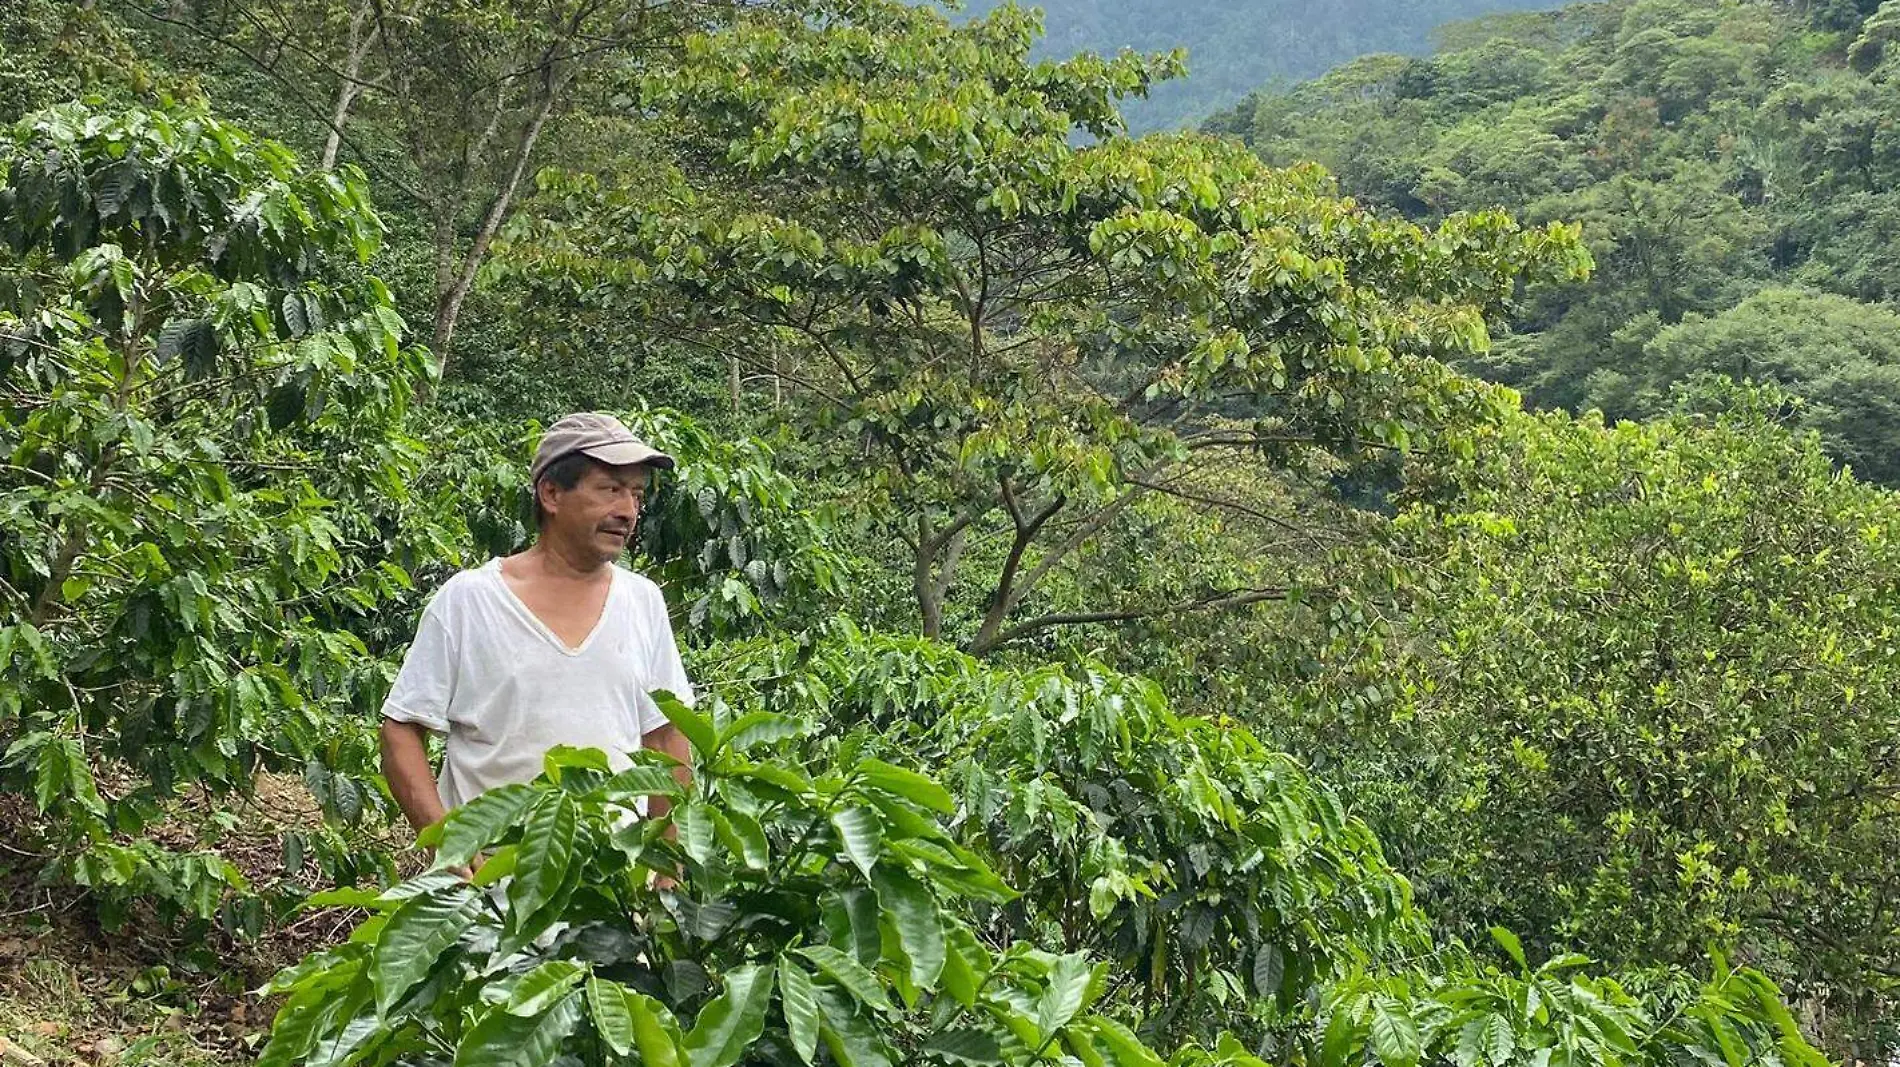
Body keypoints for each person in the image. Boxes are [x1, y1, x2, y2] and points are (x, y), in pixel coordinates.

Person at [378, 412, 694, 867]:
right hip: (486, 902)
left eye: (636, 494)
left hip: (610, 905)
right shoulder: (470, 600)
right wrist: (446, 843)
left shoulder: (642, 602)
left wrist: (667, 873)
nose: (628, 511)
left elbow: (664, 740)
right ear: (551, 493)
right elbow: (401, 731)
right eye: (610, 489)